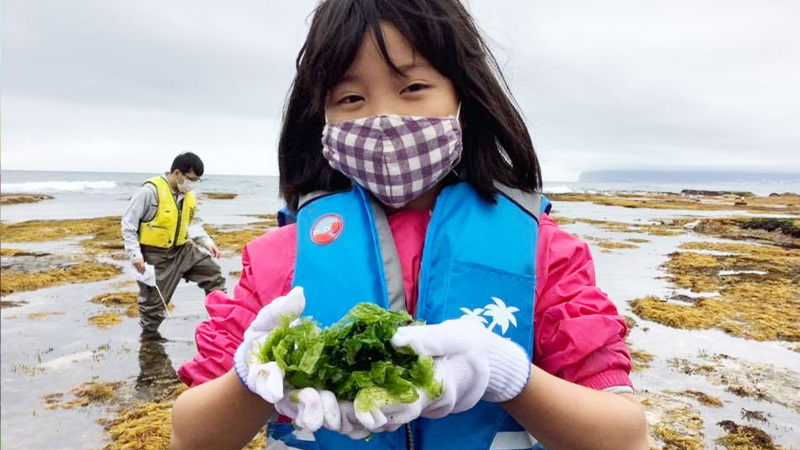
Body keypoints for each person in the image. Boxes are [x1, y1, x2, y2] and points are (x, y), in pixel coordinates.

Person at [171, 1, 648, 449]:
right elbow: (190, 435)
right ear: (321, 118)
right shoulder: (279, 260)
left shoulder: (542, 253)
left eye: (413, 88)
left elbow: (625, 436)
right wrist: (252, 380)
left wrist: (508, 375)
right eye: (351, 97)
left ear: (465, 95)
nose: (384, 119)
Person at [121, 152, 226, 341]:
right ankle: (149, 341)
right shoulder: (149, 192)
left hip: (183, 250)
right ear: (177, 173)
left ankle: (222, 324)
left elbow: (193, 223)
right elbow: (128, 224)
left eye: (197, 181)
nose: (192, 184)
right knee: (153, 307)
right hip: (155, 255)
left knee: (214, 275)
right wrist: (135, 255)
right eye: (191, 179)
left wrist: (208, 243)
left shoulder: (189, 195)